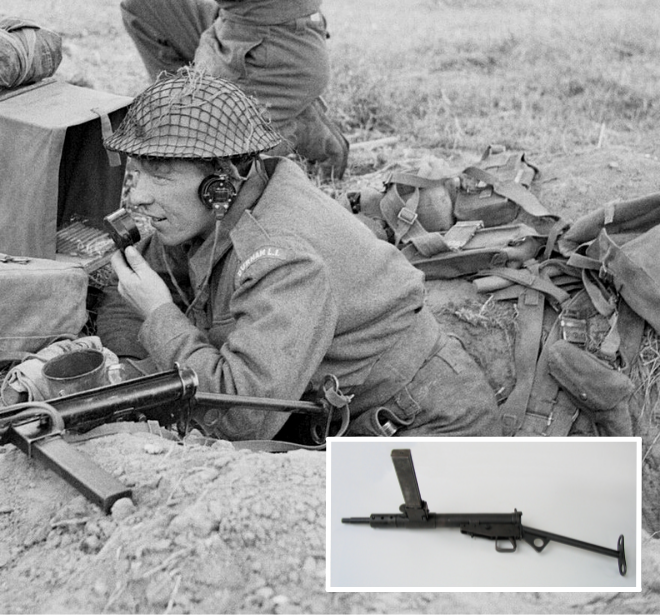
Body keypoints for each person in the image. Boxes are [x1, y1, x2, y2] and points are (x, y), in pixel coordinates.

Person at [95, 69, 502, 441]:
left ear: (219, 182)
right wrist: (126, 369)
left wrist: (159, 317)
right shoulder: (222, 208)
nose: (137, 197)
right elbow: (129, 291)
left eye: (161, 175)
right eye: (138, 172)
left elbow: (241, 418)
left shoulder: (281, 256)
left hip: (425, 427)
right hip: (351, 415)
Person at [119, 0, 350, 177]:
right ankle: (184, 115)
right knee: (144, 6)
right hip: (234, 25)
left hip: (274, 49)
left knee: (215, 173)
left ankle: (299, 126)